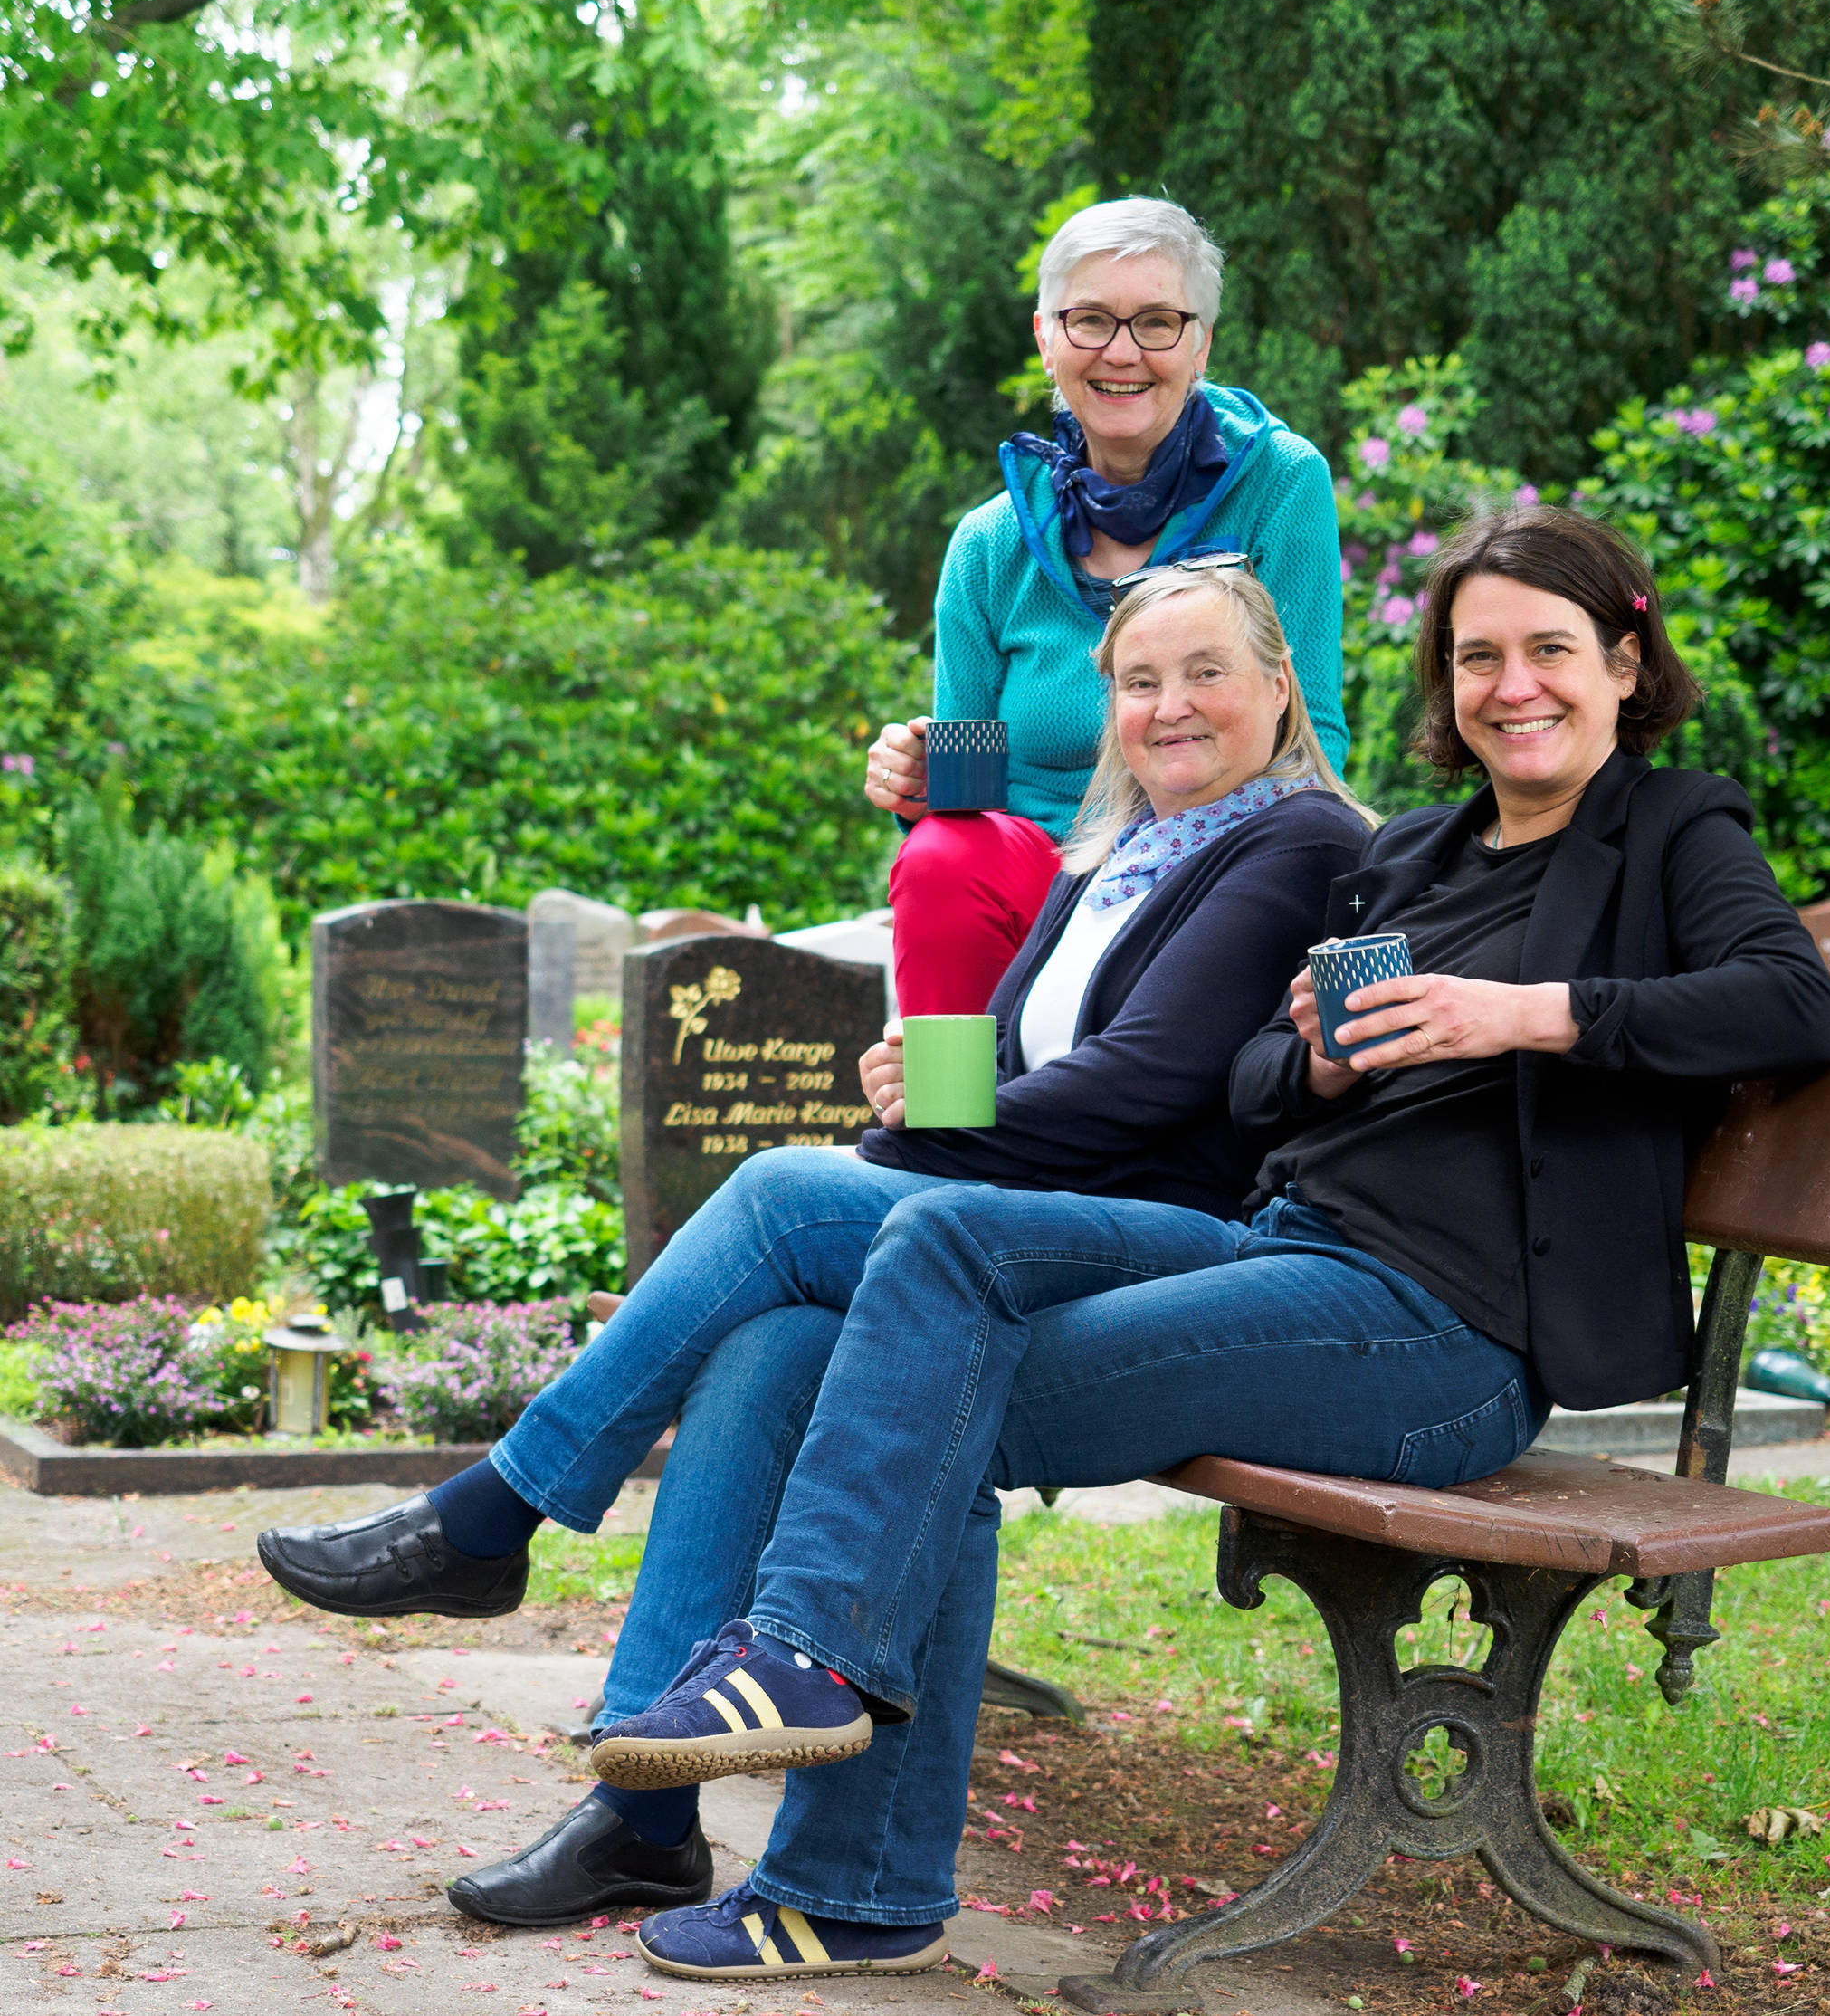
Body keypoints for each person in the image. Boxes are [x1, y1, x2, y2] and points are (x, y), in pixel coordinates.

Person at [527, 503, 1830, 1985]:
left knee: (920, 1390)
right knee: (856, 1324)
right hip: (1292, 1254)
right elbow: (1258, 1091)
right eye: (1480, 656)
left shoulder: (1669, 830)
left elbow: (1788, 1007)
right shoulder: (1412, 857)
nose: (1513, 686)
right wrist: (1324, 1064)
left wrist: (1528, 1014)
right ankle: (833, 1803)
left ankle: (826, 1776)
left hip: (1450, 1337)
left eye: (1551, 651)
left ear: (1622, 659)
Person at [256, 560, 1375, 1929]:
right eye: (1139, 681)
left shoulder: (1297, 839)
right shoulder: (1121, 852)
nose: (1171, 705)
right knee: (775, 1344)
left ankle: (493, 1513)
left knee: (788, 1192)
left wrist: (919, 1146)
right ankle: (640, 1814)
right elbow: (1047, 1063)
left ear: (1278, 686)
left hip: (1182, 1248)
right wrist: (926, 1083)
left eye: (1205, 672)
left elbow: (1152, 1085)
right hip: (1033, 1223)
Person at [864, 196, 1350, 1016]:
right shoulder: (989, 545)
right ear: (1045, 339)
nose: (1122, 352)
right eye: (1089, 319)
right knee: (945, 853)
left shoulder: (1280, 485)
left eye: (1157, 321)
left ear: (1200, 344)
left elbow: (1314, 741)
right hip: (1042, 885)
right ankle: (945, 1118)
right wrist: (921, 783)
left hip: (1214, 875)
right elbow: (962, 806)